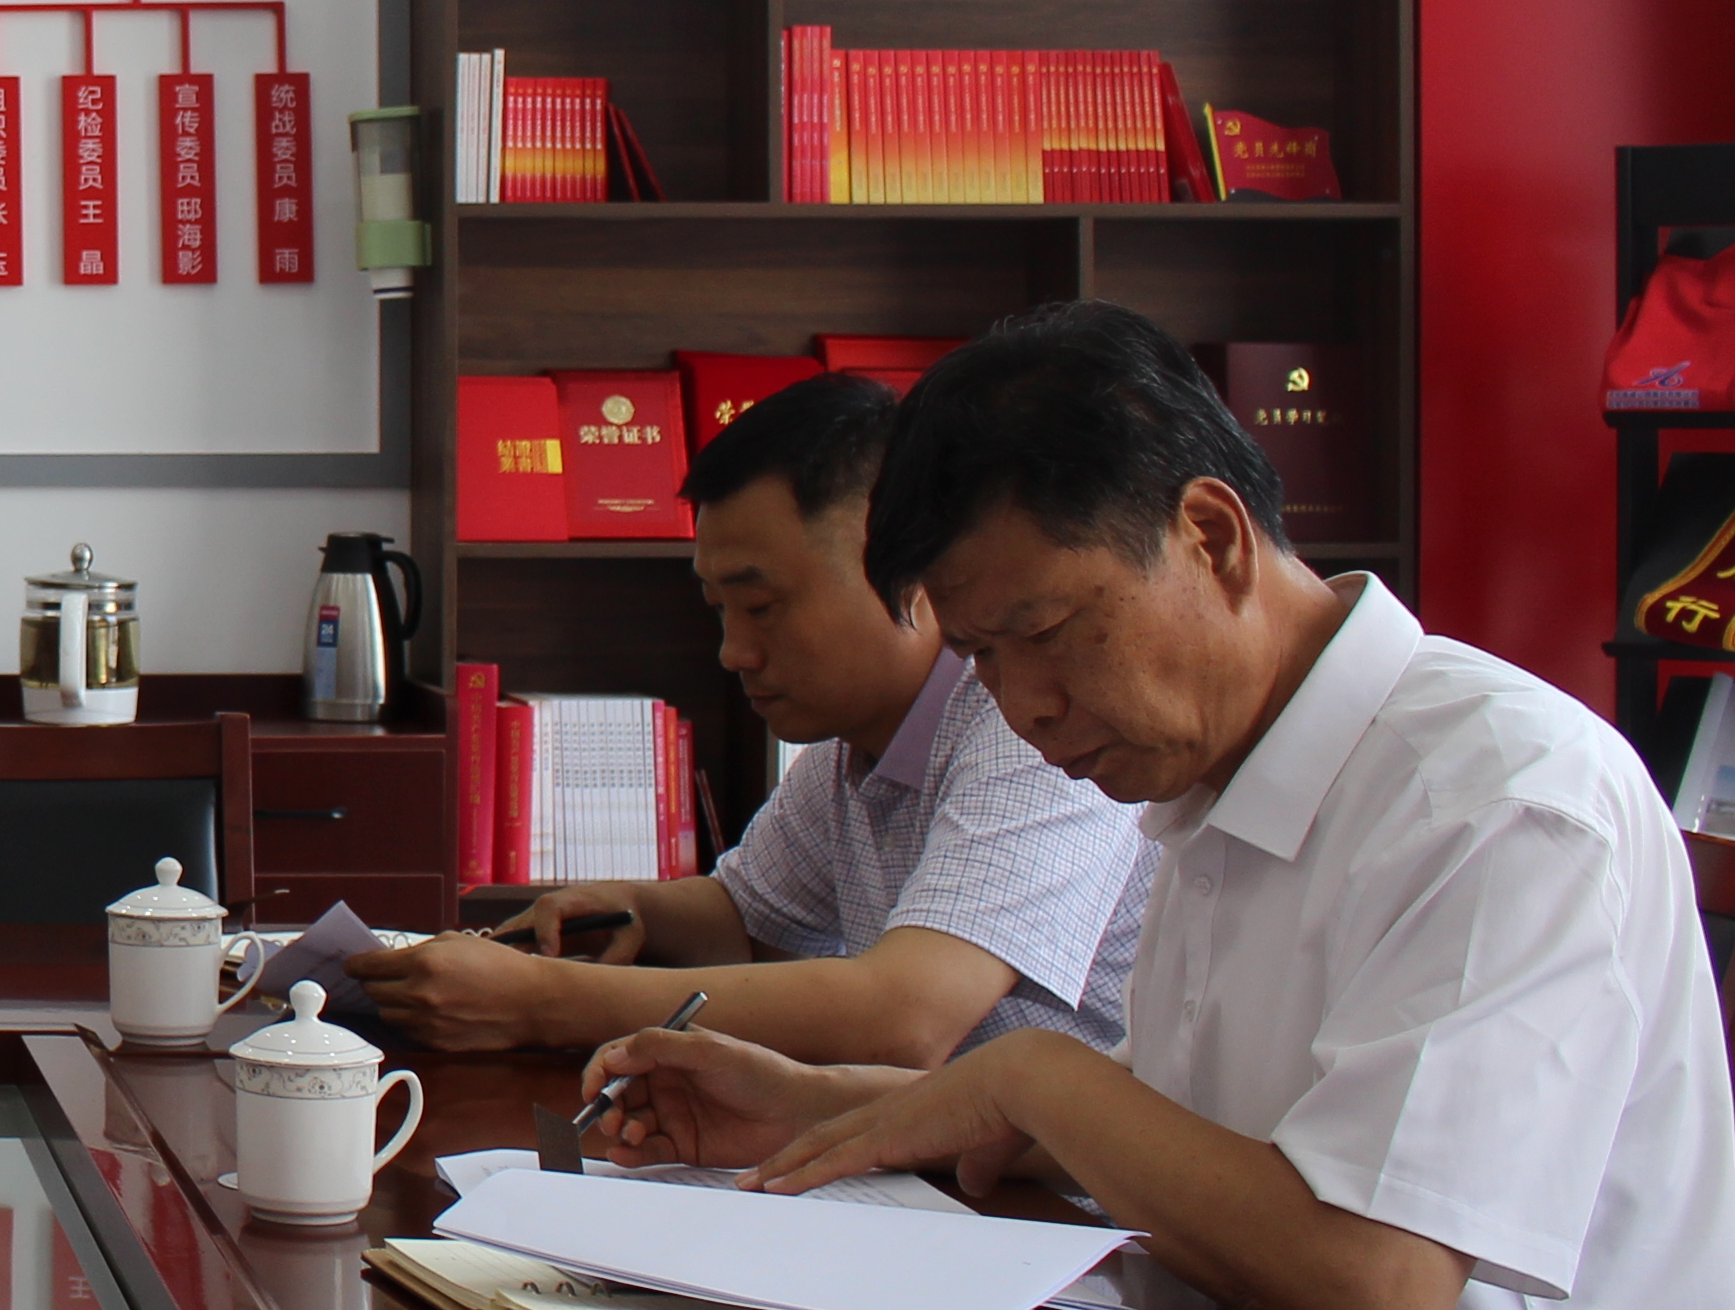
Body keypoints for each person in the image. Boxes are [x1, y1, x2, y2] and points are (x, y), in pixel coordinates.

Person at [583, 303, 1735, 1310]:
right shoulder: (1214, 765)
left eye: (1046, 633)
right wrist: (819, 1113)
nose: (1027, 708)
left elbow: (1375, 1286)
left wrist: (1031, 1074)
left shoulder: (1497, 801)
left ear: (1211, 537)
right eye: (981, 659)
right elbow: (1164, 1145)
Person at [355, 371, 1150, 1064]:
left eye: (763, 606)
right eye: (720, 610)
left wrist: (541, 1000)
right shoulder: (851, 747)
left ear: (909, 574)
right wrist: (632, 909)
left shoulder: (1025, 728)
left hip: (1058, 1185)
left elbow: (908, 1018)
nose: (733, 652)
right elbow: (750, 921)